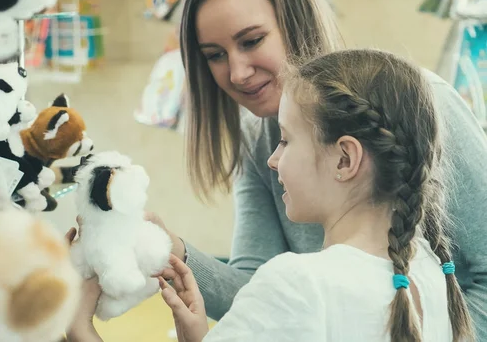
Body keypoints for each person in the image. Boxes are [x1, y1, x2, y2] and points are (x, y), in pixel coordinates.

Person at [143, 0, 487, 339]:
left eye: (252, 41)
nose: (236, 73)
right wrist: (172, 250)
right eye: (214, 55)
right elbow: (259, 296)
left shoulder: (423, 105)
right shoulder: (258, 141)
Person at [155, 48, 475, 341]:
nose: (273, 159)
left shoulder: (297, 284)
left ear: (345, 159)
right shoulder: (431, 269)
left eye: (285, 140)